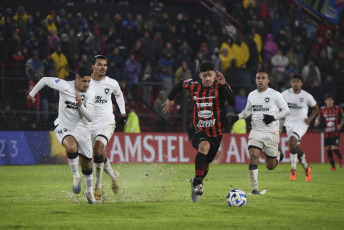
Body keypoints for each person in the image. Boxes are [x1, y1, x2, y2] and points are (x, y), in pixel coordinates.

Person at [162, 62, 236, 203]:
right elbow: (180, 83)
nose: (208, 78)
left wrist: (224, 85)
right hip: (197, 129)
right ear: (200, 75)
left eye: (210, 75)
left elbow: (232, 102)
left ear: (214, 74)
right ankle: (198, 184)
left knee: (206, 164)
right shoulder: (194, 86)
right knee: (204, 146)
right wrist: (170, 98)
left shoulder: (220, 85)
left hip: (216, 133)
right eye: (205, 75)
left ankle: (195, 181)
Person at [27, 66, 97, 204]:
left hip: (83, 129)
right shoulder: (65, 86)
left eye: (89, 81)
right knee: (71, 147)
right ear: (76, 79)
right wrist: (32, 94)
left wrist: (80, 105)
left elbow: (90, 118)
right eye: (84, 81)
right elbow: (45, 80)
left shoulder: (91, 92)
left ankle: (89, 192)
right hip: (64, 127)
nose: (87, 84)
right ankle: (76, 178)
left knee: (87, 165)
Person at [231, 70, 290, 195]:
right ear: (255, 80)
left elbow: (286, 110)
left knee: (270, 166)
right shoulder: (252, 95)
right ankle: (255, 189)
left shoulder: (275, 94)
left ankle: (278, 154)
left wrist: (273, 117)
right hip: (256, 130)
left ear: (268, 80)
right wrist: (237, 116)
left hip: (271, 132)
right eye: (258, 78)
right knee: (253, 155)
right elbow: (247, 111)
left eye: (263, 78)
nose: (260, 80)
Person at [90, 55, 127, 200]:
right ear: (93, 67)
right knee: (99, 153)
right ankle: (113, 175)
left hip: (106, 123)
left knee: (98, 148)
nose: (103, 67)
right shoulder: (86, 83)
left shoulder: (112, 83)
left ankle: (97, 187)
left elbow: (119, 95)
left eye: (105, 65)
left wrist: (123, 113)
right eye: (99, 64)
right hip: (89, 125)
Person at [281, 75, 319, 182]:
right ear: (291, 83)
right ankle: (307, 167)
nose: (296, 83)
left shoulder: (307, 96)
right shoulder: (285, 94)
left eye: (298, 81)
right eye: (294, 81)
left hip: (301, 124)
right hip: (289, 124)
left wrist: (310, 119)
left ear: (301, 83)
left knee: (292, 141)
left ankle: (293, 169)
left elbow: (316, 108)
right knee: (297, 147)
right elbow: (277, 102)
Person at [314, 94, 344, 170]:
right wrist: (316, 122)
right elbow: (318, 118)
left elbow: (343, 117)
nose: (329, 102)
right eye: (327, 100)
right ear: (325, 101)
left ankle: (341, 158)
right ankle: (333, 166)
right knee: (328, 149)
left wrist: (340, 124)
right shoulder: (322, 109)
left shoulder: (338, 108)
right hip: (327, 133)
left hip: (335, 132)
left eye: (330, 100)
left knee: (334, 147)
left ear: (333, 101)